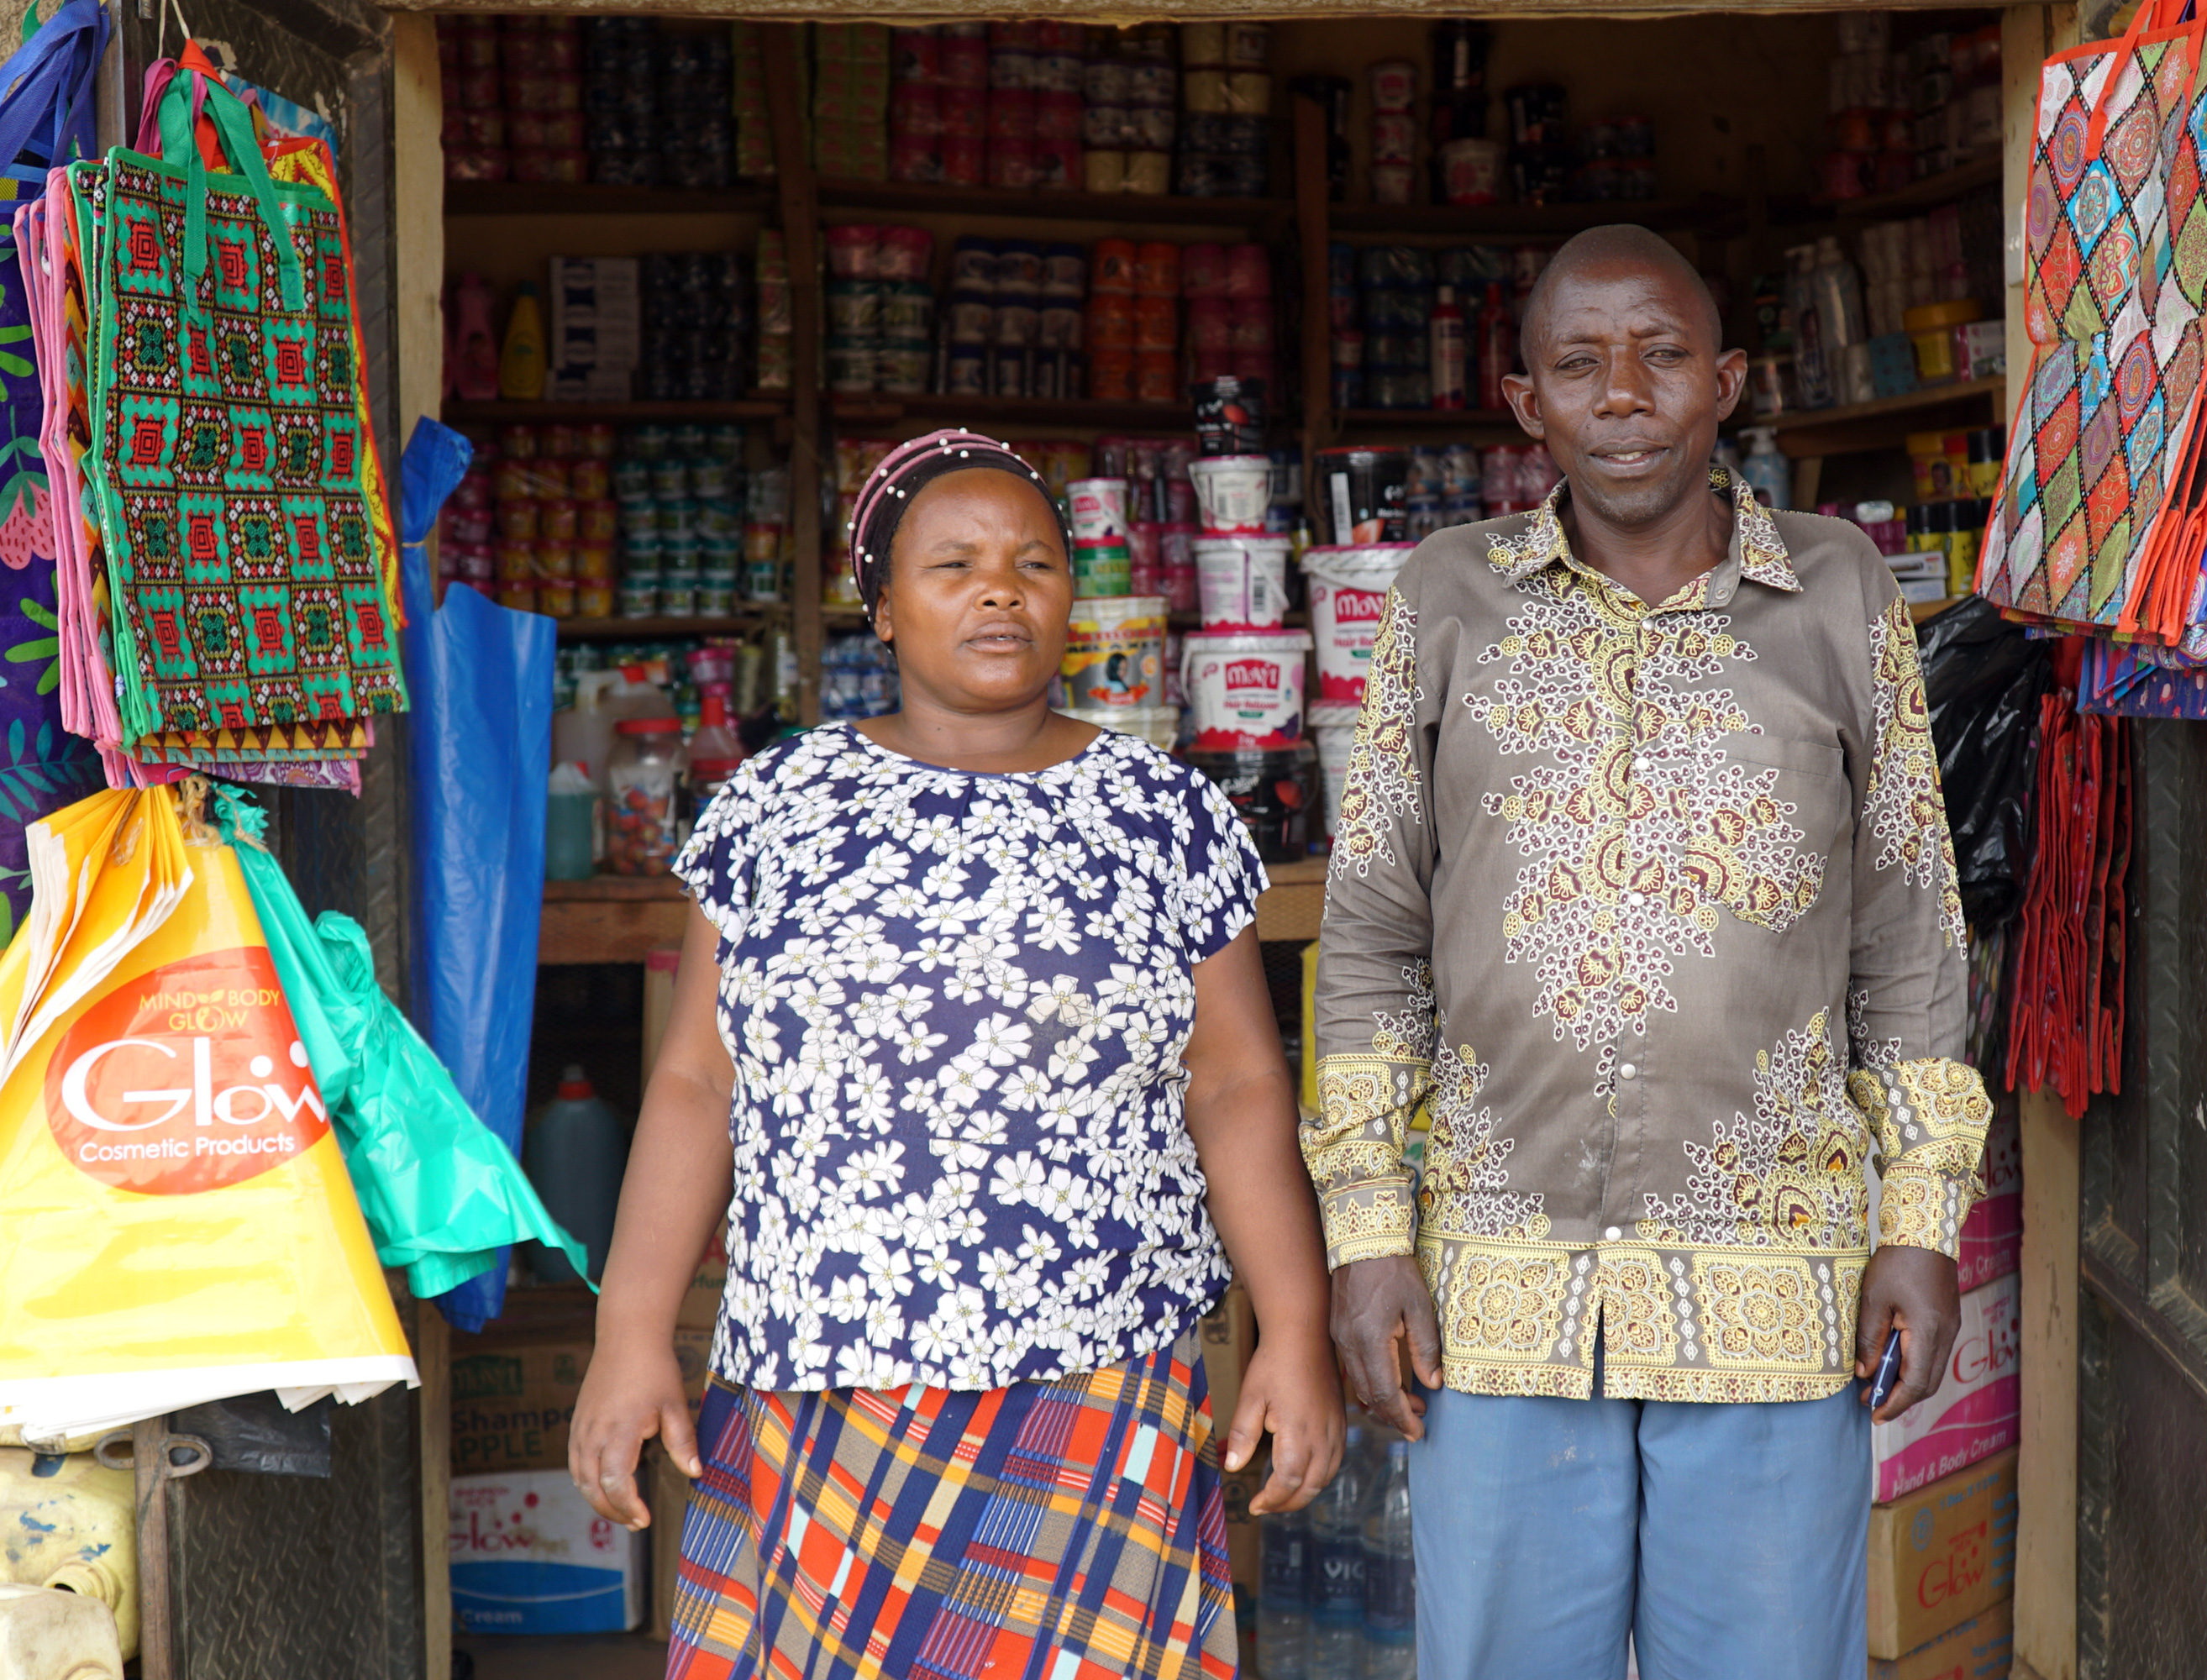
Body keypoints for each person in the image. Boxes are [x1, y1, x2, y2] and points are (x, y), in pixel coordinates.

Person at [1309, 227, 1994, 1679]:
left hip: (1774, 1274)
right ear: (1524, 403)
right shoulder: (1445, 595)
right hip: (1496, 1280)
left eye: (1663, 354)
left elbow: (1911, 924)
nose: (1623, 393)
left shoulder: (1839, 589)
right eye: (1579, 363)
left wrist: (1921, 1221)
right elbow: (1371, 931)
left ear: (1728, 383)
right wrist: (1368, 1241)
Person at [570, 430, 1346, 1680]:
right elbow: (697, 1080)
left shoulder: (1164, 811)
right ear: (881, 606)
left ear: (1071, 602)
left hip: (1097, 1370)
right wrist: (630, 1334)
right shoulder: (775, 807)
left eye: (1036, 563)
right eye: (955, 565)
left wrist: (1293, 1332)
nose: (1001, 589)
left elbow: (1239, 1082)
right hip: (831, 1370)